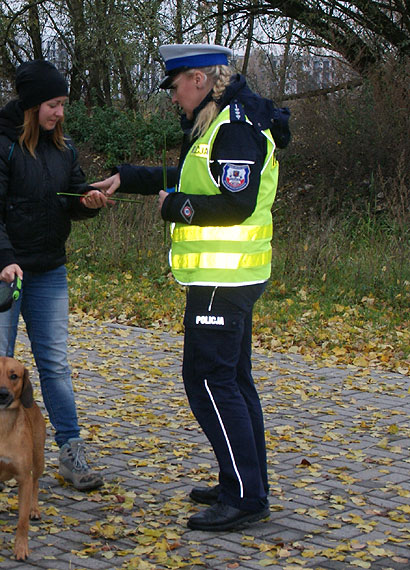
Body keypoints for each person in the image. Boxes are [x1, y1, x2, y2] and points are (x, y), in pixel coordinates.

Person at [92, 44, 290, 530]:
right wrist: (128, 177)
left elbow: (235, 203)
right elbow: (193, 177)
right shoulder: (219, 122)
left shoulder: (235, 127)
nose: (174, 97)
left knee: (208, 381)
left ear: (199, 80)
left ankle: (245, 499)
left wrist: (173, 208)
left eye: (176, 86)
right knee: (232, 382)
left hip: (225, 279)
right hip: (224, 278)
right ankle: (241, 482)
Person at [0, 59, 108, 491]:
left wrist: (85, 203)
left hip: (48, 271)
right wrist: (3, 260)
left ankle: (70, 451)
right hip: (1, 273)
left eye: (64, 103)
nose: (60, 113)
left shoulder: (63, 149)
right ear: (32, 105)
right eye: (53, 104)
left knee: (54, 365)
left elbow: (70, 196)